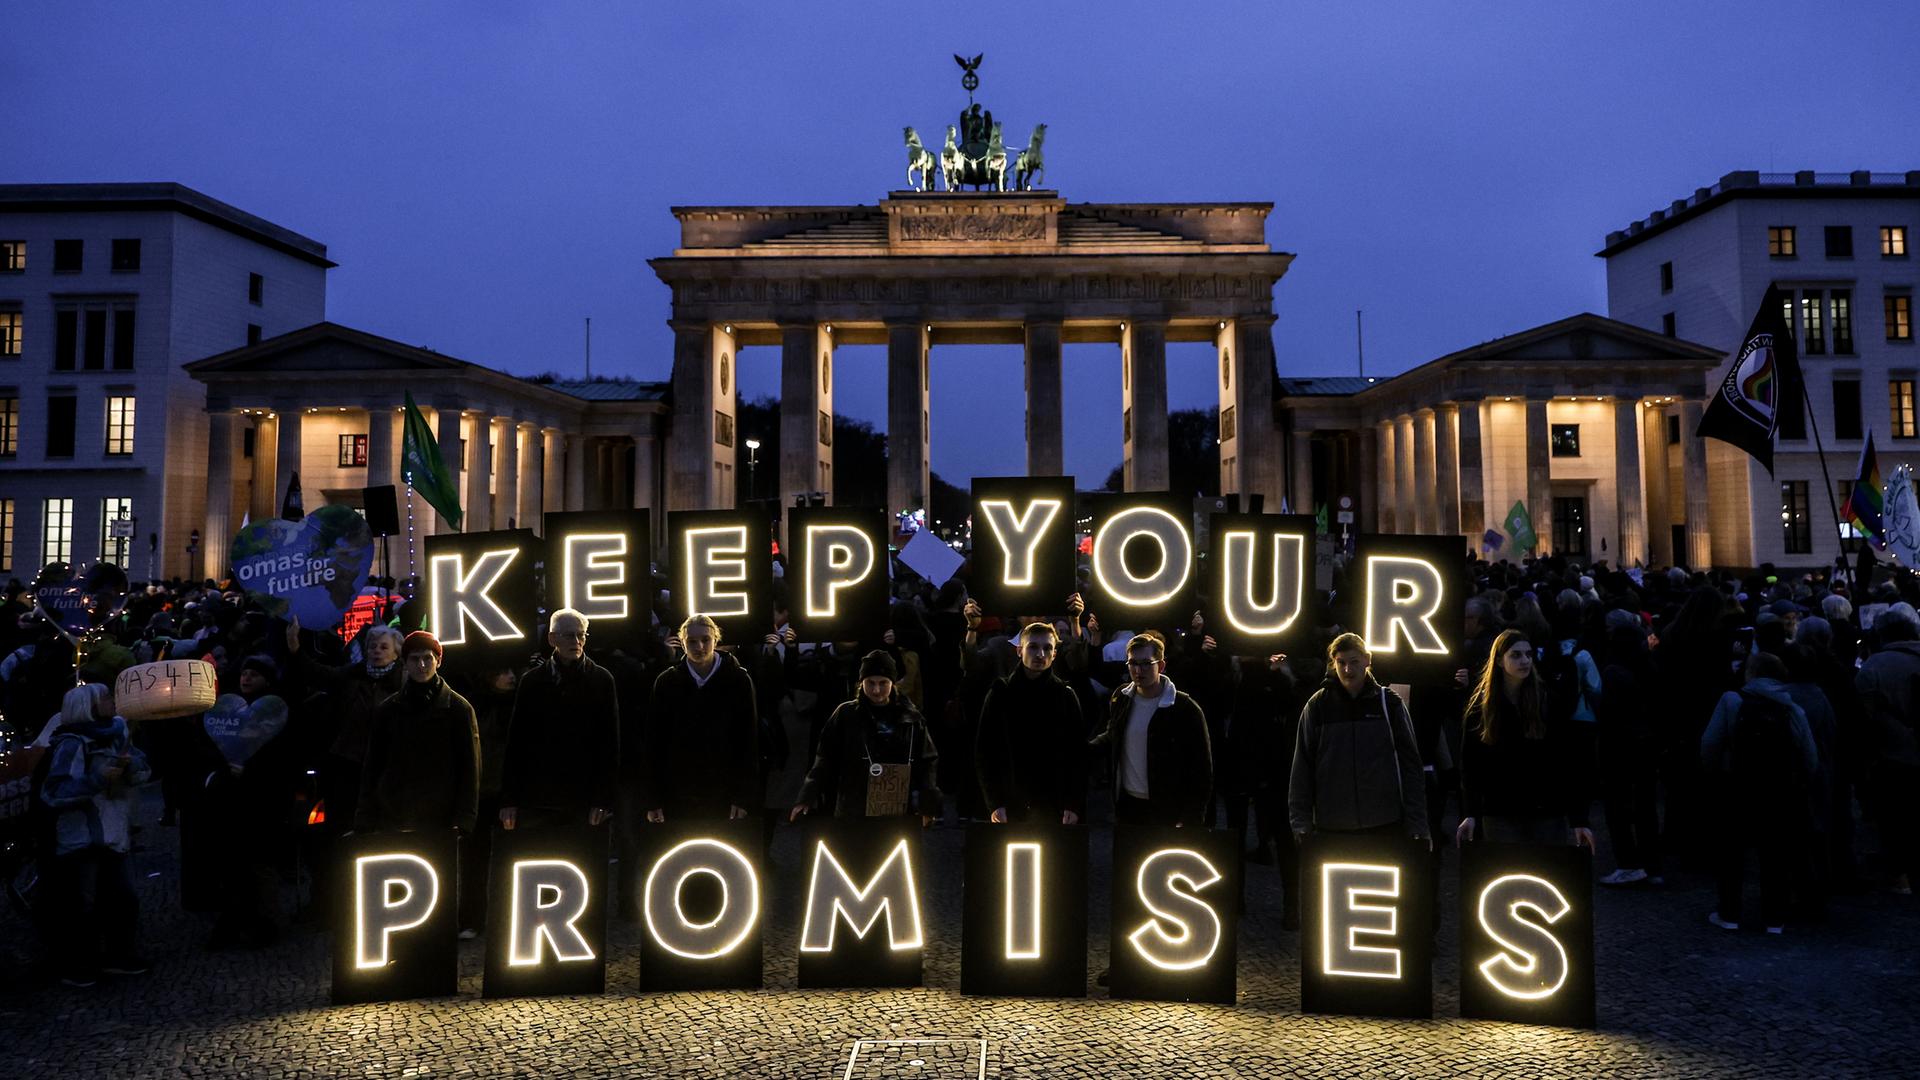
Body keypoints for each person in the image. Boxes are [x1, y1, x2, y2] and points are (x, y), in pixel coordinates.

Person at [39, 683, 151, 987]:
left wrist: (130, 768)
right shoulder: (72, 743)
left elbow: (144, 770)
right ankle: (76, 962)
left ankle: (117, 955)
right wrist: (96, 779)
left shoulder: (119, 734)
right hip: (82, 838)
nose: (111, 701)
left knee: (122, 899)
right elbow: (54, 792)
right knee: (81, 905)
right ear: (87, 705)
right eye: (104, 697)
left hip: (114, 833)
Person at [1701, 652, 1818, 933]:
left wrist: (1714, 773)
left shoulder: (1732, 700)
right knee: (1774, 854)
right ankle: (1774, 918)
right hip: (1778, 788)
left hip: (1738, 785)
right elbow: (1809, 755)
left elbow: (1710, 743)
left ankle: (1729, 912)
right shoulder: (1791, 707)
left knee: (1732, 853)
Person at [1456, 629, 1596, 850]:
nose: (1525, 661)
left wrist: (1579, 818)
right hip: (1500, 809)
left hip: (1545, 808)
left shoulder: (1547, 701)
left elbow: (1568, 759)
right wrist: (1471, 812)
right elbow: (1470, 764)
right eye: (1516, 655)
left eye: (1528, 655)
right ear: (1500, 661)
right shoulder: (1483, 708)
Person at [1288, 634, 1430, 848]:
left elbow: (1410, 767)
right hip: (1334, 824)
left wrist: (1417, 824)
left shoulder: (1389, 704)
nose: (1347, 670)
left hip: (1383, 823)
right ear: (1333, 663)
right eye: (1341, 663)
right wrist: (1301, 823)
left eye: (1354, 662)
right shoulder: (1317, 706)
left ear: (1367, 660)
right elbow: (1302, 768)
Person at [499, 608, 620, 832]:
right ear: (552, 638)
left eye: (581, 635)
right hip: (538, 796)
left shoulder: (602, 680)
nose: (576, 640)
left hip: (584, 797)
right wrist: (509, 799)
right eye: (569, 635)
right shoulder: (532, 681)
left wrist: (603, 799)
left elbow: (609, 744)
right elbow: (517, 741)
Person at [791, 649, 941, 824]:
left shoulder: (910, 717)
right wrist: (807, 797)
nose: (876, 690)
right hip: (853, 804)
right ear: (861, 683)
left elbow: (927, 761)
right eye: (870, 683)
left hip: (896, 803)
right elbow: (825, 758)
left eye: (883, 683)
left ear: (892, 683)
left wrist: (927, 805)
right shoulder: (846, 714)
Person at [354, 631, 480, 838]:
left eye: (427, 658)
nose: (421, 665)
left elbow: (470, 769)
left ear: (438, 661)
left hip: (441, 817)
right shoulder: (388, 710)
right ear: (404, 662)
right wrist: (365, 816)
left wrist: (464, 820)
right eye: (415, 659)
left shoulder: (459, 709)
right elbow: (373, 765)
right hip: (394, 814)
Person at [642, 614, 759, 823]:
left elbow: (748, 740)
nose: (700, 646)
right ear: (682, 642)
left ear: (716, 640)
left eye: (705, 640)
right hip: (678, 791)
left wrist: (743, 796)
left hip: (723, 789)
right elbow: (655, 742)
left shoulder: (738, 679)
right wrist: (653, 799)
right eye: (692, 641)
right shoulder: (667, 682)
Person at [1089, 632, 1211, 828]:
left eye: (1146, 663)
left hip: (1168, 810)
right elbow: (1113, 735)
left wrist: (1192, 815)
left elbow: (1202, 769)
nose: (1138, 670)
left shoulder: (1184, 708)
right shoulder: (1122, 698)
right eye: (1133, 663)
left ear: (1161, 666)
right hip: (1128, 806)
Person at [974, 621, 1086, 826]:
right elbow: (985, 751)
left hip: (1054, 804)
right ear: (1019, 651)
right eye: (1033, 647)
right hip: (1010, 801)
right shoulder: (1001, 693)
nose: (1040, 654)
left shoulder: (1065, 695)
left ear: (1054, 654)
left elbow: (1077, 754)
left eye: (1047, 648)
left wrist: (1073, 803)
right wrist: (994, 802)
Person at [1855, 608, 1920, 895]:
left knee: (1895, 817)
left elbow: (1862, 717)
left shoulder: (1874, 666)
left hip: (1892, 755)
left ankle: (1900, 875)